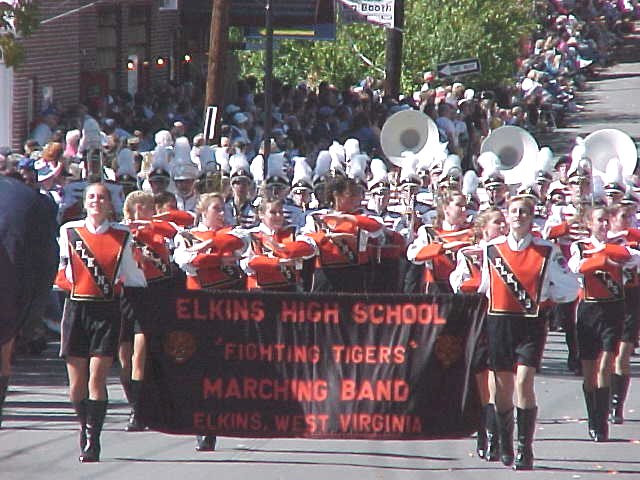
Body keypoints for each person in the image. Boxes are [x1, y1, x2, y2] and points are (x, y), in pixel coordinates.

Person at [478, 195, 579, 470]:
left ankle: (525, 448)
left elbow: (569, 286)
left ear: (532, 217)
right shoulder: (491, 248)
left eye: (524, 211)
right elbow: (483, 287)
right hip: (498, 322)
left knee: (524, 381)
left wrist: (548, 296)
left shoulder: (547, 250)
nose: (518, 216)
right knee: (502, 388)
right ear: (507, 216)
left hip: (531, 323)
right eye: (514, 211)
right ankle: (504, 442)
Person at [55, 183, 147, 462]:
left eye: (102, 197)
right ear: (85, 202)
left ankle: (93, 440)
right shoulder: (69, 231)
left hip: (106, 312)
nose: (96, 201)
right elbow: (63, 270)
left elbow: (132, 275)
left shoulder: (122, 234)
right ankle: (84, 427)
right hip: (76, 310)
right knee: (76, 383)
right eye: (91, 197)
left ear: (110, 204)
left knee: (97, 377)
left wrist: (153, 292)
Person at [173, 192, 248, 451]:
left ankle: (224, 415)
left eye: (223, 208)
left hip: (228, 302)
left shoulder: (234, 233)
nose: (222, 213)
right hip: (199, 305)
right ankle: (204, 426)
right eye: (216, 208)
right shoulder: (185, 236)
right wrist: (217, 257)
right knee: (202, 366)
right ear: (203, 211)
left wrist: (207, 249)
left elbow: (239, 246)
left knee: (225, 364)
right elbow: (188, 262)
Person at [568, 204, 640, 442]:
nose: (604, 225)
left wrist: (610, 254)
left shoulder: (619, 247)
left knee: (606, 363)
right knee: (589, 371)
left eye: (607, 221)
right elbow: (575, 268)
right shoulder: (580, 247)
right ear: (590, 223)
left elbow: (633, 259)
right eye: (599, 220)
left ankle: (603, 421)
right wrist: (599, 259)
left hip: (613, 310)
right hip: (589, 309)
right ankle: (593, 417)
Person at [0, 176, 58, 428]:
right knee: (5, 350)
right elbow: (46, 262)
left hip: (13, 286)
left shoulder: (26, 201)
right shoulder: (30, 200)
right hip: (15, 294)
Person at [450, 207, 507, 462]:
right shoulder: (469, 254)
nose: (503, 227)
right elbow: (458, 283)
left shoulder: (510, 252)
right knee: (480, 377)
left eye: (503, 223)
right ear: (484, 229)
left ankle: (497, 436)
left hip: (503, 318)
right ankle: (485, 431)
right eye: (497, 223)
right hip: (477, 318)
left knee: (500, 377)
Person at [120, 191, 178, 432]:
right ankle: (134, 400)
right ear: (135, 208)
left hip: (149, 292)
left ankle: (139, 411)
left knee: (140, 353)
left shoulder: (156, 230)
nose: (151, 210)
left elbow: (177, 225)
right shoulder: (122, 231)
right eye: (146, 207)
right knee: (123, 354)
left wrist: (147, 226)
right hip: (124, 293)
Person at [301, 175, 384, 292]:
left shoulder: (362, 216)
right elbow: (305, 239)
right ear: (336, 196)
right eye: (351, 196)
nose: (357, 199)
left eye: (358, 195)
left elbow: (377, 228)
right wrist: (327, 237)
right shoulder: (317, 217)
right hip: (325, 275)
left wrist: (346, 218)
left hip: (355, 273)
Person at [607, 200, 640, 424]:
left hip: (631, 298)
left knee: (623, 354)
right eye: (622, 217)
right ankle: (605, 399)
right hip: (607, 300)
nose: (626, 222)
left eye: (629, 217)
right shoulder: (603, 240)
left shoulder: (635, 239)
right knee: (606, 356)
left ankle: (617, 405)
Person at [241, 199, 317, 291]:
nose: (278, 216)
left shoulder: (293, 231)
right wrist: (278, 262)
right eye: (273, 212)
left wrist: (283, 248)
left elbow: (311, 247)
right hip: (259, 291)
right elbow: (248, 262)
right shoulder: (250, 234)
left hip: (290, 290)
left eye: (281, 212)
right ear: (261, 214)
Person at [407, 190, 473, 294]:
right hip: (436, 289)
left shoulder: (472, 232)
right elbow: (413, 255)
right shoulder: (429, 231)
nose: (464, 209)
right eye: (459, 205)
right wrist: (443, 247)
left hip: (464, 289)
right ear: (445, 208)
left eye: (465, 206)